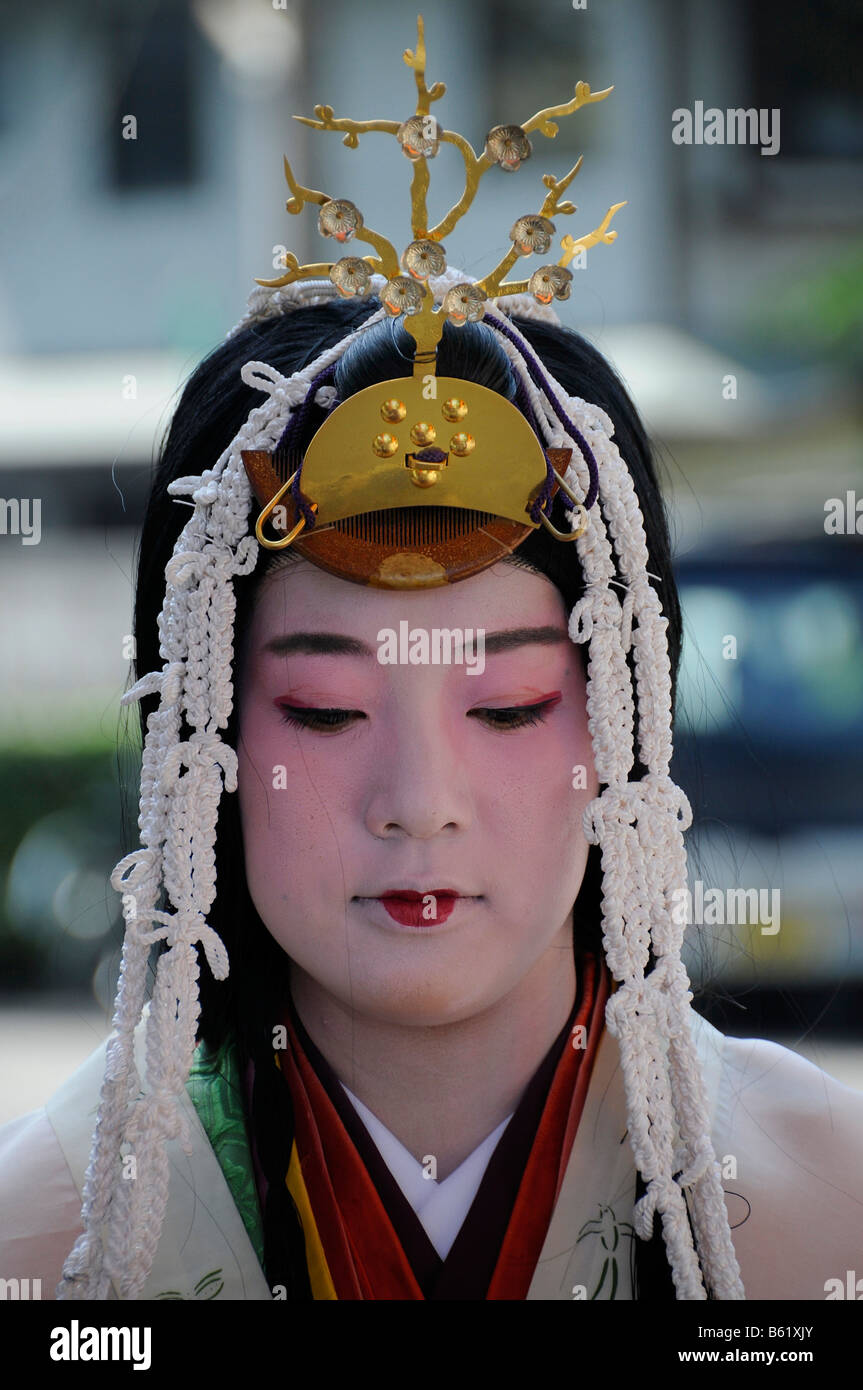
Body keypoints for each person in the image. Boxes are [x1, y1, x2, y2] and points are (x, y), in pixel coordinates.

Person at [1, 17, 861, 1303]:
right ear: (204, 736)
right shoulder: (63, 1239)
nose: (419, 797)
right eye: (326, 705)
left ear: (627, 724)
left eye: (508, 704)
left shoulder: (818, 1206)